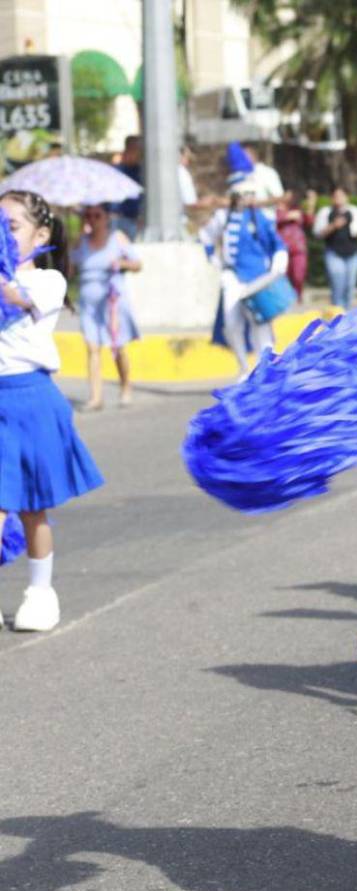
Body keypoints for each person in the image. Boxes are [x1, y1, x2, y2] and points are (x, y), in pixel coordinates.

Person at [0, 190, 105, 632]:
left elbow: (13, 296)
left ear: (41, 234)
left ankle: (41, 594)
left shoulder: (46, 282)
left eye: (11, 227)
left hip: (31, 402)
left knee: (31, 510)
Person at [200, 174, 289, 378]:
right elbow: (206, 237)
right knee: (231, 324)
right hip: (233, 276)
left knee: (260, 323)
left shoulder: (260, 218)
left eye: (249, 194)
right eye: (241, 195)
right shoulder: (223, 217)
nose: (246, 199)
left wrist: (279, 262)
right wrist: (214, 260)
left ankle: (265, 367)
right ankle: (243, 366)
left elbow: (277, 244)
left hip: (257, 278)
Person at [70, 204, 142, 410]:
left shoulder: (117, 238)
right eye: (88, 215)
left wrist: (121, 263)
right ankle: (96, 397)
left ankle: (126, 386)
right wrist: (70, 248)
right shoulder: (81, 242)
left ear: (106, 217)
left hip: (112, 301)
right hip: (88, 301)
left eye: (97, 215)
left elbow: (138, 264)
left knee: (118, 346)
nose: (92, 219)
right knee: (92, 347)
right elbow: (70, 269)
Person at [313, 188, 357, 310]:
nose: (338, 198)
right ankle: (337, 316)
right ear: (332, 198)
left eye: (341, 196)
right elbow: (317, 233)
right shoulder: (325, 212)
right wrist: (334, 226)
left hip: (353, 253)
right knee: (337, 285)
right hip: (334, 253)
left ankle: (347, 314)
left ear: (346, 197)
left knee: (350, 285)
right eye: (335, 196)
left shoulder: (355, 212)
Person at [275, 189, 313, 301]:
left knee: (298, 275)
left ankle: (297, 297)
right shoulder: (273, 210)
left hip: (298, 249)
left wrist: (311, 203)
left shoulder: (297, 210)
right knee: (283, 277)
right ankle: (286, 300)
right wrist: (287, 216)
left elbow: (309, 221)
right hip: (281, 249)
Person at [244, 145, 285, 222]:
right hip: (245, 224)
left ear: (253, 156)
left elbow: (279, 197)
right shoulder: (240, 175)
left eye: (244, 156)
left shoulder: (267, 173)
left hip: (265, 222)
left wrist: (257, 203)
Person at [112, 135, 142, 239]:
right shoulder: (116, 171)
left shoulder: (142, 172)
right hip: (118, 220)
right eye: (136, 150)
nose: (139, 155)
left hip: (135, 221)